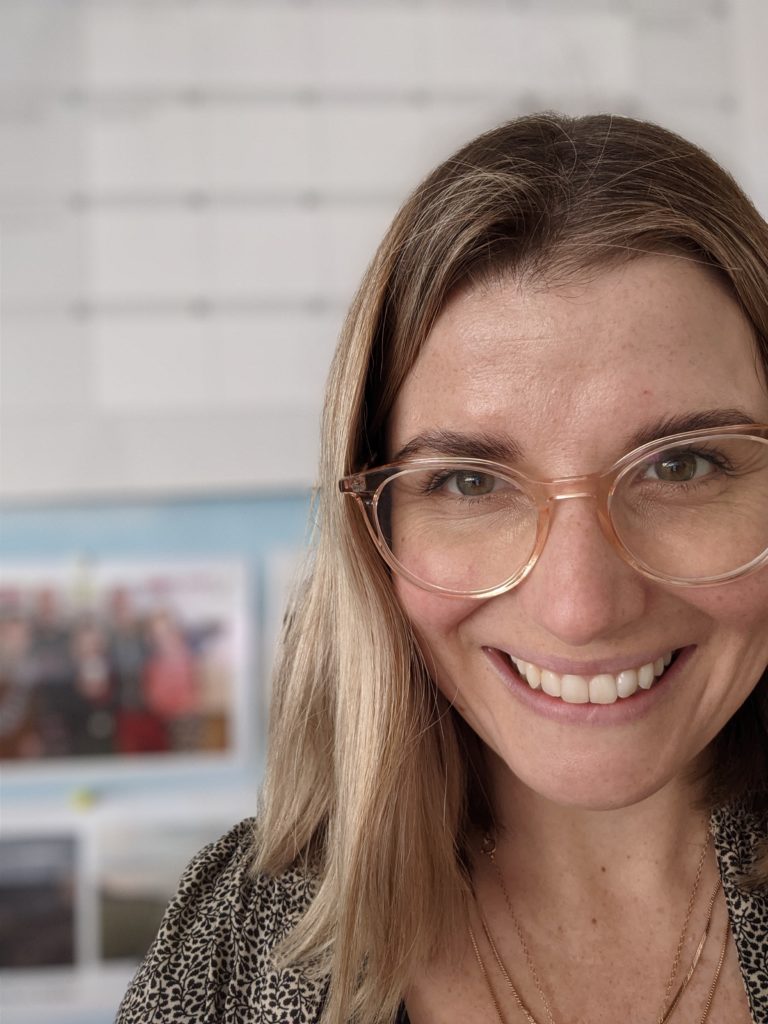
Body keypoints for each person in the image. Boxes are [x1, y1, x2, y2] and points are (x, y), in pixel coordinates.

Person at [117, 113, 768, 1024]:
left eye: (682, 466)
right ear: (369, 530)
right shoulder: (230, 940)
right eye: (469, 481)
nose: (582, 608)